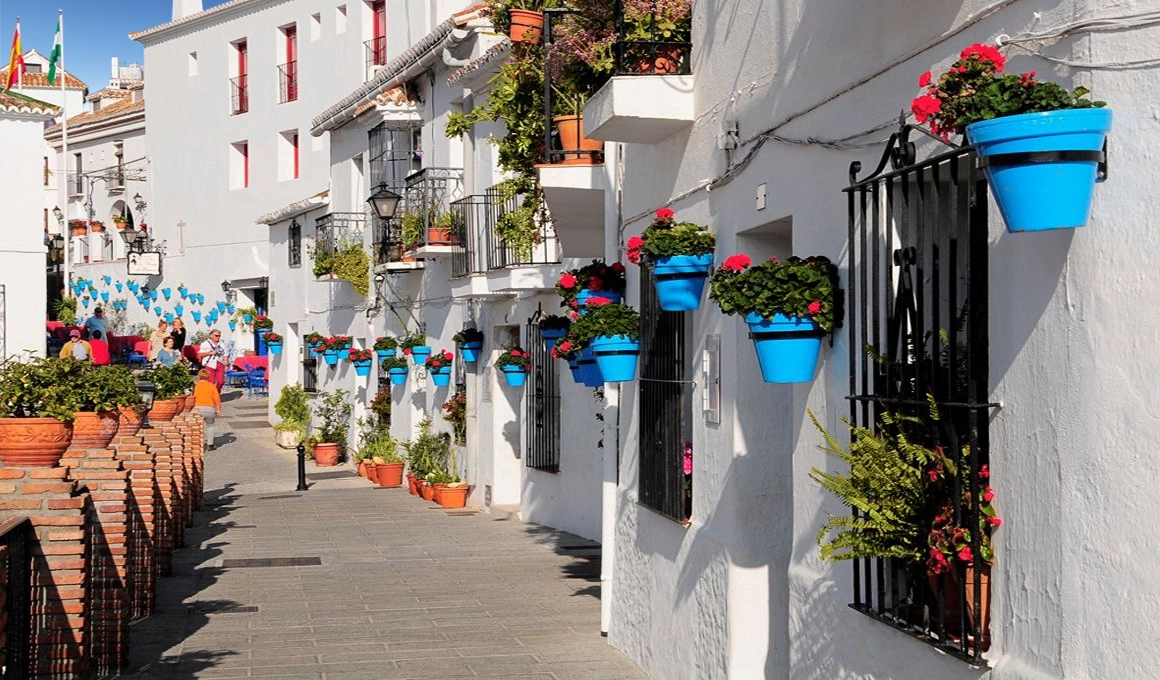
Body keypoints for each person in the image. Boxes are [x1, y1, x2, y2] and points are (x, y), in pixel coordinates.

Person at [192, 368, 222, 451]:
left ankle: (197, 444)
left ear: (199, 376)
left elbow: (193, 397)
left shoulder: (196, 386)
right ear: (208, 376)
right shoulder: (211, 386)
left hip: (198, 408)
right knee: (210, 426)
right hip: (210, 408)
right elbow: (217, 399)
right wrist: (218, 409)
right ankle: (210, 444)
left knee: (198, 427)